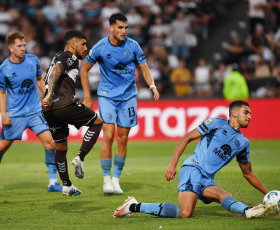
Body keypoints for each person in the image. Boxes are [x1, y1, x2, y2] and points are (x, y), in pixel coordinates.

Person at [114, 101, 280, 219]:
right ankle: (133, 206)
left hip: (207, 179)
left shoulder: (243, 143)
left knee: (225, 195)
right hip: (193, 169)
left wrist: (269, 194)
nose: (250, 116)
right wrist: (172, 165)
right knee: (185, 213)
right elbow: (186, 137)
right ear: (234, 113)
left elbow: (248, 173)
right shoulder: (216, 123)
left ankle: (249, 211)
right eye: (246, 112)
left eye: (250, 113)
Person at [80, 13, 159, 195]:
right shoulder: (100, 47)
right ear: (112, 28)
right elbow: (84, 69)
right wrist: (87, 96)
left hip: (128, 97)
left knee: (123, 139)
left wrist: (152, 85)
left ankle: (116, 181)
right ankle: (106, 180)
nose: (124, 31)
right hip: (107, 96)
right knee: (108, 136)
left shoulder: (133, 46)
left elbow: (144, 68)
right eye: (120, 28)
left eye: (126, 28)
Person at [0, 31, 62, 194]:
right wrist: (3, 115)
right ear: (10, 48)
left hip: (35, 112)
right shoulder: (4, 69)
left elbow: (39, 80)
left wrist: (48, 96)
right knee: (1, 148)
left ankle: (53, 182)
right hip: (15, 115)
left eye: (24, 45)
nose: (23, 48)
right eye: (19, 46)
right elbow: (1, 93)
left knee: (50, 142)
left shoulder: (33, 61)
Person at [42, 30, 103, 197]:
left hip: (49, 111)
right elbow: (56, 71)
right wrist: (49, 95)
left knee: (60, 147)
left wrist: (47, 96)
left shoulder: (56, 56)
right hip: (64, 105)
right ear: (72, 44)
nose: (86, 48)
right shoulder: (70, 57)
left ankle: (67, 185)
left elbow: (46, 77)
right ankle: (80, 158)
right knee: (97, 122)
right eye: (83, 44)